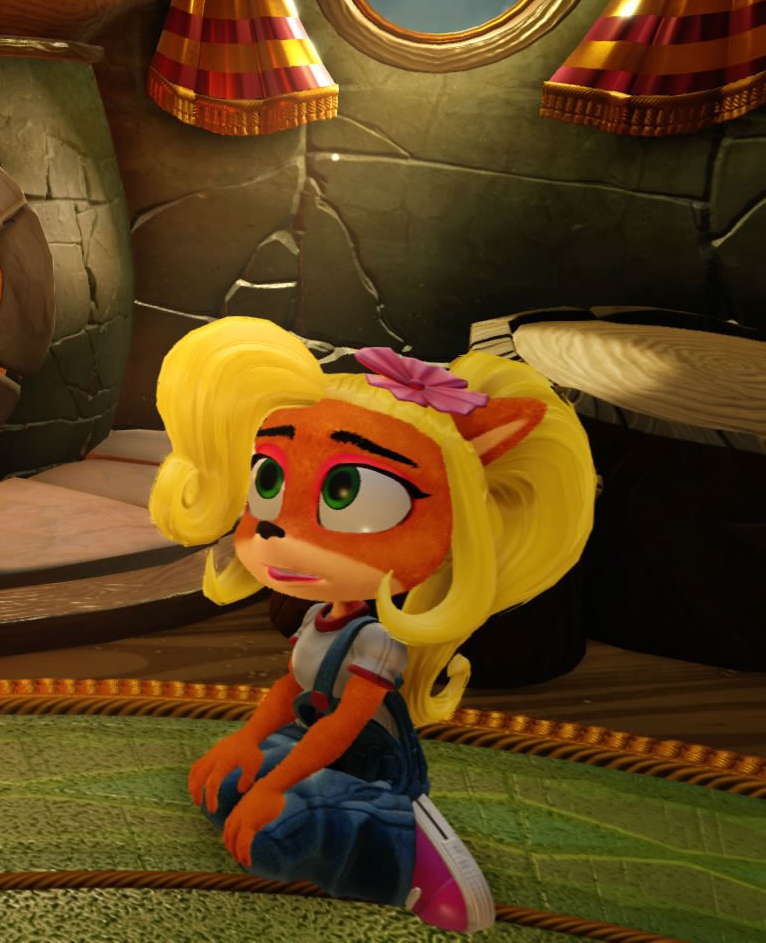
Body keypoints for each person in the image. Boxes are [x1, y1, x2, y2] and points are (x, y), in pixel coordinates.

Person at [146, 316, 595, 934]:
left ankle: (405, 852)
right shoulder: (320, 619)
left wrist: (279, 785)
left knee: (279, 828)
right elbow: (294, 687)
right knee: (228, 785)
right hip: (314, 739)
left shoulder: (378, 639)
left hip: (372, 762)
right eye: (269, 480)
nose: (277, 529)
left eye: (346, 493)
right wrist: (247, 740)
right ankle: (326, 816)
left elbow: (346, 725)